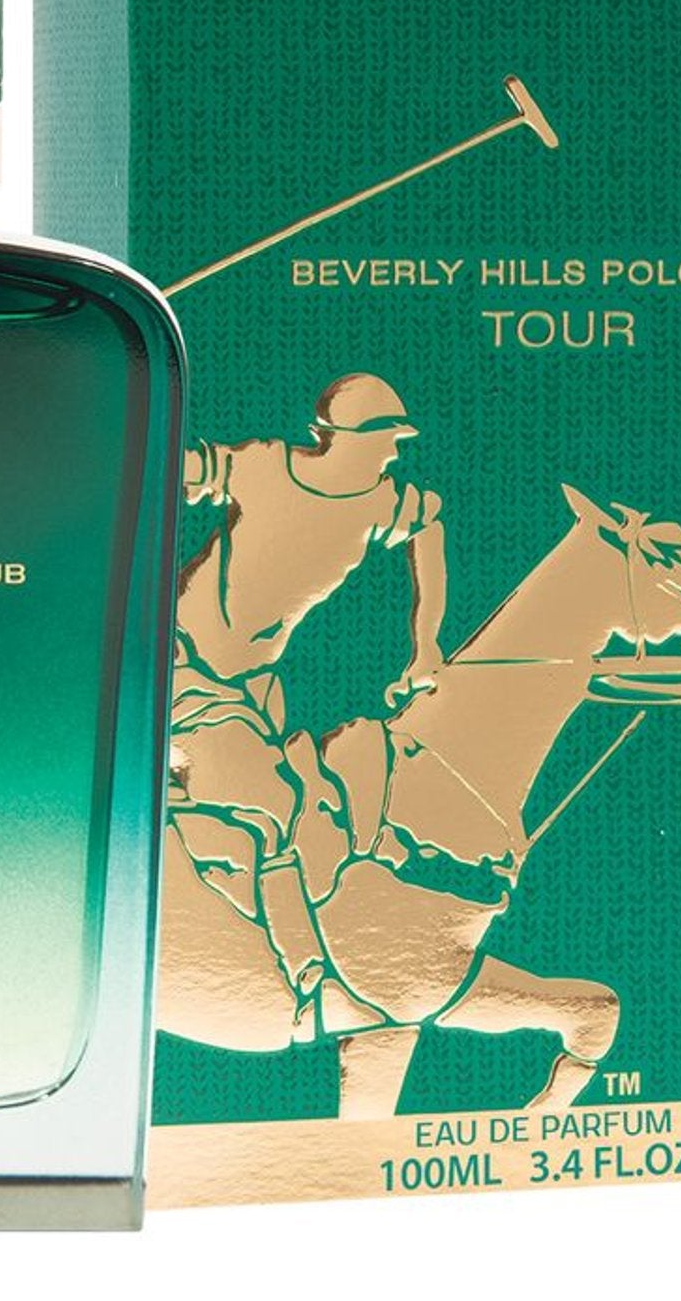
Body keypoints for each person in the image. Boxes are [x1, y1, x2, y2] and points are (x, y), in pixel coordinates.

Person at [171, 373, 447, 1022]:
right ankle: (306, 973)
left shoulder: (378, 502)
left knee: (311, 797)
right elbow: (174, 469)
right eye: (387, 438)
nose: (395, 452)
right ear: (347, 437)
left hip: (252, 689)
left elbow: (428, 522)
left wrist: (426, 646)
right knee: (275, 805)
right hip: (182, 668)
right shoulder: (266, 469)